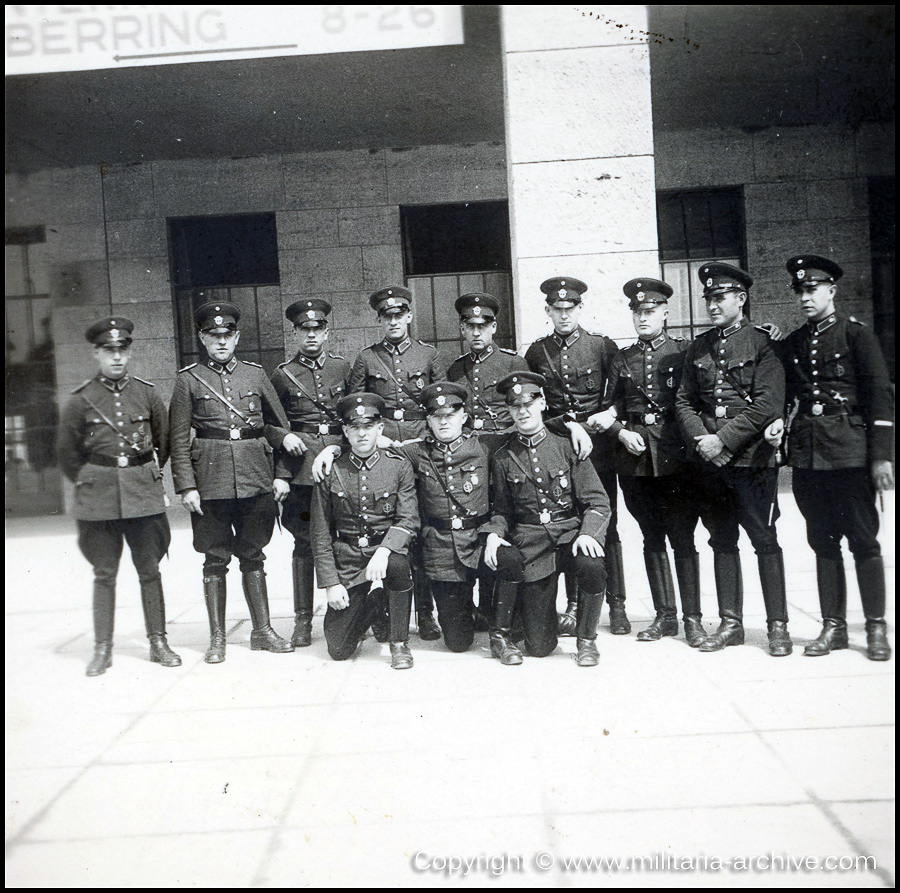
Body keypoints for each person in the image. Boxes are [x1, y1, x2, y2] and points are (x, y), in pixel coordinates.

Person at [778, 255, 894, 660]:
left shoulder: (857, 335)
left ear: (832, 291)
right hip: (809, 454)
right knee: (822, 541)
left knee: (863, 539)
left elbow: (880, 395)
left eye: (812, 289)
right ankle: (834, 626)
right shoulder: (794, 343)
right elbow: (787, 392)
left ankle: (876, 627)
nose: (805, 297)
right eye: (800, 291)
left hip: (850, 451)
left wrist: (882, 458)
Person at [168, 301, 298, 663]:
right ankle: (218, 637)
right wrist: (186, 486)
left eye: (227, 335)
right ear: (202, 337)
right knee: (214, 559)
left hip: (256, 478)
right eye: (214, 335)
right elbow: (178, 440)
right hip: (210, 481)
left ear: (237, 336)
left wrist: (282, 475)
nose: (221, 342)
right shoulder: (188, 380)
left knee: (254, 554)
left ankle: (262, 631)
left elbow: (280, 428)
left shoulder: (256, 375)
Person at [674, 263, 792, 656]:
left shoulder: (763, 343)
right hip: (710, 462)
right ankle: (731, 623)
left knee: (763, 538)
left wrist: (722, 440)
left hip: (751, 461)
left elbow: (768, 403)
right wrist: (704, 441)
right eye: (708, 298)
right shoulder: (699, 346)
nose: (712, 304)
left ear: (740, 299)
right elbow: (684, 401)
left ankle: (777, 627)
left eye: (720, 297)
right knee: (721, 539)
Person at [57, 316, 181, 676]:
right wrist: (94, 478)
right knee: (104, 573)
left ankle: (158, 642)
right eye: (108, 350)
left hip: (142, 495)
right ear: (96, 353)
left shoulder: (146, 393)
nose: (116, 357)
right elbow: (68, 454)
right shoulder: (81, 400)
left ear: (129, 351)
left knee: (149, 569)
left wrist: (142, 472)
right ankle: (102, 649)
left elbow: (164, 441)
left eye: (122, 349)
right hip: (99, 500)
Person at [600, 278, 706, 646]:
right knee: (650, 535)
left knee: (683, 536)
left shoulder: (685, 351)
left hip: (675, 456)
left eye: (650, 312)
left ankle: (692, 617)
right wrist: (618, 432)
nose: (643, 318)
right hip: (635, 459)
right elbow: (609, 406)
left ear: (665, 312)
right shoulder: (622, 359)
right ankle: (665, 615)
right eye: (637, 312)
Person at [524, 277, 629, 636]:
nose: (564, 315)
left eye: (570, 308)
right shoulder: (537, 353)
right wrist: (569, 425)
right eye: (557, 309)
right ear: (548, 311)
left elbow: (620, 394)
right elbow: (539, 405)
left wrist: (610, 416)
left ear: (579, 309)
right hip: (562, 447)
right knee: (569, 523)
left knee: (605, 524)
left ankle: (616, 604)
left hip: (598, 449)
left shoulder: (601, 346)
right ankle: (573, 605)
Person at [484, 372, 611, 666]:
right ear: (509, 411)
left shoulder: (566, 445)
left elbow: (597, 500)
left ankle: (586, 639)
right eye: (515, 406)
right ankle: (543, 621)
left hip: (570, 535)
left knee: (591, 564)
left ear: (542, 403)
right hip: (532, 543)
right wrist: (494, 533)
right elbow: (502, 509)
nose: (522, 411)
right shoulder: (504, 456)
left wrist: (588, 533)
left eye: (529, 403)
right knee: (539, 647)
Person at [348, 285, 447, 641]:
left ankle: (426, 613)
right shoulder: (366, 358)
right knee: (391, 524)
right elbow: (357, 404)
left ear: (408, 316)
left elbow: (441, 404)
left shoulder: (429, 354)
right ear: (379, 319)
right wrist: (381, 438)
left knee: (420, 532)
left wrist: (426, 438)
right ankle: (387, 611)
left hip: (423, 445)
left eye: (398, 315)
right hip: (385, 446)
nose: (393, 321)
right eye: (386, 316)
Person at [310, 393, 419, 669]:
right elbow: (320, 533)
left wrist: (384, 550)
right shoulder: (331, 470)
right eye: (354, 427)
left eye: (368, 426)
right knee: (338, 648)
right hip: (348, 559)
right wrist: (330, 584)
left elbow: (408, 519)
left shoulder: (398, 466)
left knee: (397, 561)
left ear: (380, 429)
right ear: (345, 431)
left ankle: (398, 642)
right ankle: (375, 605)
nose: (362, 434)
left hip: (383, 554)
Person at [270, 298, 350, 647]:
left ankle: (348, 614)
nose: (312, 335)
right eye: (305, 329)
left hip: (339, 464)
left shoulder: (342, 368)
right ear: (295, 333)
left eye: (318, 328)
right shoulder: (282, 374)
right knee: (304, 542)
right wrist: (282, 466)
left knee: (343, 539)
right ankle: (303, 621)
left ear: (327, 331)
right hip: (301, 468)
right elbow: (270, 424)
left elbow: (353, 415)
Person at [447, 292, 528, 628]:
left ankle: (500, 606)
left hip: (503, 454)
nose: (477, 332)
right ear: (463, 329)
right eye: (470, 325)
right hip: (471, 460)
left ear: (494, 327)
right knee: (476, 527)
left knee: (503, 525)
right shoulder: (456, 368)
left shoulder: (513, 363)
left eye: (483, 325)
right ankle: (479, 607)